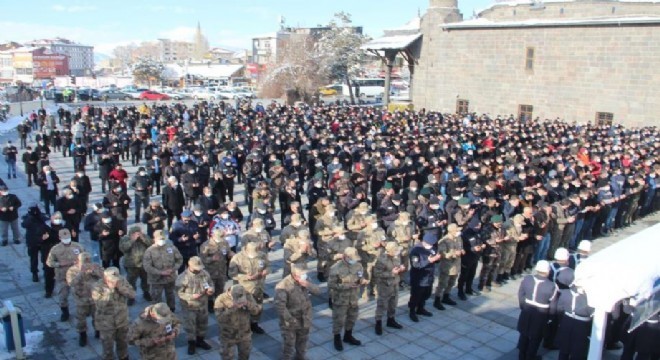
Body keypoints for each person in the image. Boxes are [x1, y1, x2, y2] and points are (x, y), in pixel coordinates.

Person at [275, 264, 320, 360]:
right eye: (303, 274)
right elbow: (281, 308)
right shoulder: (283, 286)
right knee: (289, 345)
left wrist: (308, 285)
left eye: (305, 274)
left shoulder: (305, 280)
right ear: (295, 275)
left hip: (305, 318)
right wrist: (291, 321)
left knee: (303, 342)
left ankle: (300, 357)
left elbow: (318, 291)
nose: (305, 276)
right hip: (291, 321)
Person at [328, 247, 368, 351]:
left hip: (353, 298)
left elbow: (360, 276)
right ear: (345, 257)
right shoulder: (335, 268)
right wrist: (346, 286)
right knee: (339, 320)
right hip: (340, 299)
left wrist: (363, 281)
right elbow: (331, 285)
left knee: (352, 317)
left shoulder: (358, 266)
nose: (354, 260)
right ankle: (337, 338)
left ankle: (348, 336)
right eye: (352, 258)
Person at [517, 260, 558, 360]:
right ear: (547, 271)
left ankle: (521, 356)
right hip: (541, 314)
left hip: (526, 310)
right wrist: (551, 318)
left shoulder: (527, 279)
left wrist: (523, 306)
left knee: (524, 334)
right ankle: (531, 357)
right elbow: (553, 305)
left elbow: (520, 294)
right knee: (536, 337)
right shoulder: (552, 286)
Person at [91, 267, 136, 360]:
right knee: (108, 347)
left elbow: (132, 294)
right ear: (105, 278)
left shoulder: (122, 281)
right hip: (106, 323)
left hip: (122, 320)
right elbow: (100, 305)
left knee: (123, 344)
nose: (115, 282)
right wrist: (110, 290)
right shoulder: (97, 286)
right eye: (112, 280)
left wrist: (122, 289)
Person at [229, 241, 270, 334]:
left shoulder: (262, 255)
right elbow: (232, 274)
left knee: (258, 306)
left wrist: (266, 271)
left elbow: (268, 266)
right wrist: (245, 277)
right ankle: (243, 327)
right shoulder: (237, 258)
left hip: (258, 287)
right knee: (243, 308)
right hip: (244, 289)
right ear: (246, 250)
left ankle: (254, 324)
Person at [176, 256, 214, 355]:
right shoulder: (182, 278)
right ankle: (191, 343)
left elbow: (210, 283)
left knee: (203, 324)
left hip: (203, 305)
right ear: (190, 265)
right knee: (190, 326)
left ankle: (200, 340)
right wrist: (191, 296)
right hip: (190, 307)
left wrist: (211, 290)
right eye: (197, 268)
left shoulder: (204, 274)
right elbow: (179, 293)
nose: (199, 270)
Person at [46, 228, 84, 322]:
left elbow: (85, 257)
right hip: (63, 277)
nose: (67, 239)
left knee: (81, 295)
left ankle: (82, 311)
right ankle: (65, 312)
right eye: (64, 238)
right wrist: (59, 264)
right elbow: (49, 262)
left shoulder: (78, 246)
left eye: (68, 237)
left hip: (76, 276)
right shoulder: (55, 249)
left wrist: (80, 262)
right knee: (63, 296)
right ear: (60, 238)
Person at [214, 284, 261, 360]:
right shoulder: (220, 299)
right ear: (229, 292)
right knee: (227, 357)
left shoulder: (247, 295)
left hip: (245, 333)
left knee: (245, 356)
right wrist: (233, 308)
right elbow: (220, 318)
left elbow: (256, 311)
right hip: (228, 335)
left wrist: (247, 304)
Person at [66, 252, 104, 347]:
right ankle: (83, 336)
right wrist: (81, 273)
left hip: (94, 298)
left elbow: (104, 277)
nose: (86, 263)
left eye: (88, 261)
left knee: (97, 317)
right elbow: (71, 283)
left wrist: (94, 272)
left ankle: (98, 331)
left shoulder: (95, 266)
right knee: (81, 320)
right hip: (81, 299)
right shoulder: (72, 270)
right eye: (84, 261)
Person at [143, 230, 183, 312]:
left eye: (162, 239)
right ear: (154, 239)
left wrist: (173, 269)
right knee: (156, 296)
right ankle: (158, 312)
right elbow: (147, 266)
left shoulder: (171, 247)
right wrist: (160, 272)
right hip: (156, 280)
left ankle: (171, 309)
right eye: (159, 239)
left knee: (171, 294)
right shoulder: (149, 251)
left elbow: (179, 259)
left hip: (170, 277)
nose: (161, 241)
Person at [408, 232, 443, 322]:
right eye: (430, 244)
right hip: (419, 278)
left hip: (429, 277)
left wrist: (437, 259)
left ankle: (420, 308)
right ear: (425, 242)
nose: (432, 246)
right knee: (416, 296)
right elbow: (416, 265)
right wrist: (429, 260)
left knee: (426, 294)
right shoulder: (416, 250)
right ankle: (412, 311)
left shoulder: (432, 248)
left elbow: (435, 259)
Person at [555, 282, 594, 360]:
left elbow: (559, 308)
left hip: (566, 321)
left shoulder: (565, 293)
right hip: (582, 325)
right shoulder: (590, 297)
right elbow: (592, 313)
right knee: (578, 352)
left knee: (564, 349)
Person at [373, 242, 405, 335]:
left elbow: (396, 267)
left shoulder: (396, 256)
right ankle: (378, 323)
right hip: (385, 286)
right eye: (396, 250)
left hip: (394, 284)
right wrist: (392, 273)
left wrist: (400, 268)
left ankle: (391, 320)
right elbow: (377, 274)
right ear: (390, 251)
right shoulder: (382, 260)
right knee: (382, 305)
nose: (397, 252)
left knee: (393, 303)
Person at [200, 229, 234, 311]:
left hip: (221, 270)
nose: (222, 239)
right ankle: (210, 303)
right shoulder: (206, 245)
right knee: (211, 288)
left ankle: (219, 302)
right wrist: (212, 258)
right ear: (213, 236)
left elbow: (228, 251)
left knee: (220, 287)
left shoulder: (224, 242)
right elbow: (202, 259)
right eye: (220, 237)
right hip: (211, 271)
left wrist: (231, 254)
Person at [119, 226, 153, 304]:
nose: (137, 235)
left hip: (144, 264)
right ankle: (131, 296)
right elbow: (123, 248)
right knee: (131, 281)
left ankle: (146, 292)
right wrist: (132, 240)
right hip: (131, 265)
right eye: (135, 233)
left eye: (138, 233)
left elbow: (151, 244)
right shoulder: (125, 239)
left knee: (146, 280)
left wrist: (143, 238)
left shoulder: (144, 237)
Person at [433, 223, 464, 310]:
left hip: (456, 265)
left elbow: (460, 247)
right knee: (442, 283)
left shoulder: (458, 238)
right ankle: (437, 300)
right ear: (452, 231)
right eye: (457, 231)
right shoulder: (444, 241)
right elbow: (443, 254)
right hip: (447, 266)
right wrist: (454, 253)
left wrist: (462, 250)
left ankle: (446, 296)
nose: (459, 232)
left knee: (452, 282)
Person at [22, 204, 52, 283]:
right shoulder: (28, 218)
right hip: (33, 242)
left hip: (44, 241)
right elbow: (24, 224)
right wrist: (30, 217)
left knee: (45, 258)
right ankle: (34, 273)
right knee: (33, 259)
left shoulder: (42, 217)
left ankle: (46, 271)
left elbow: (49, 225)